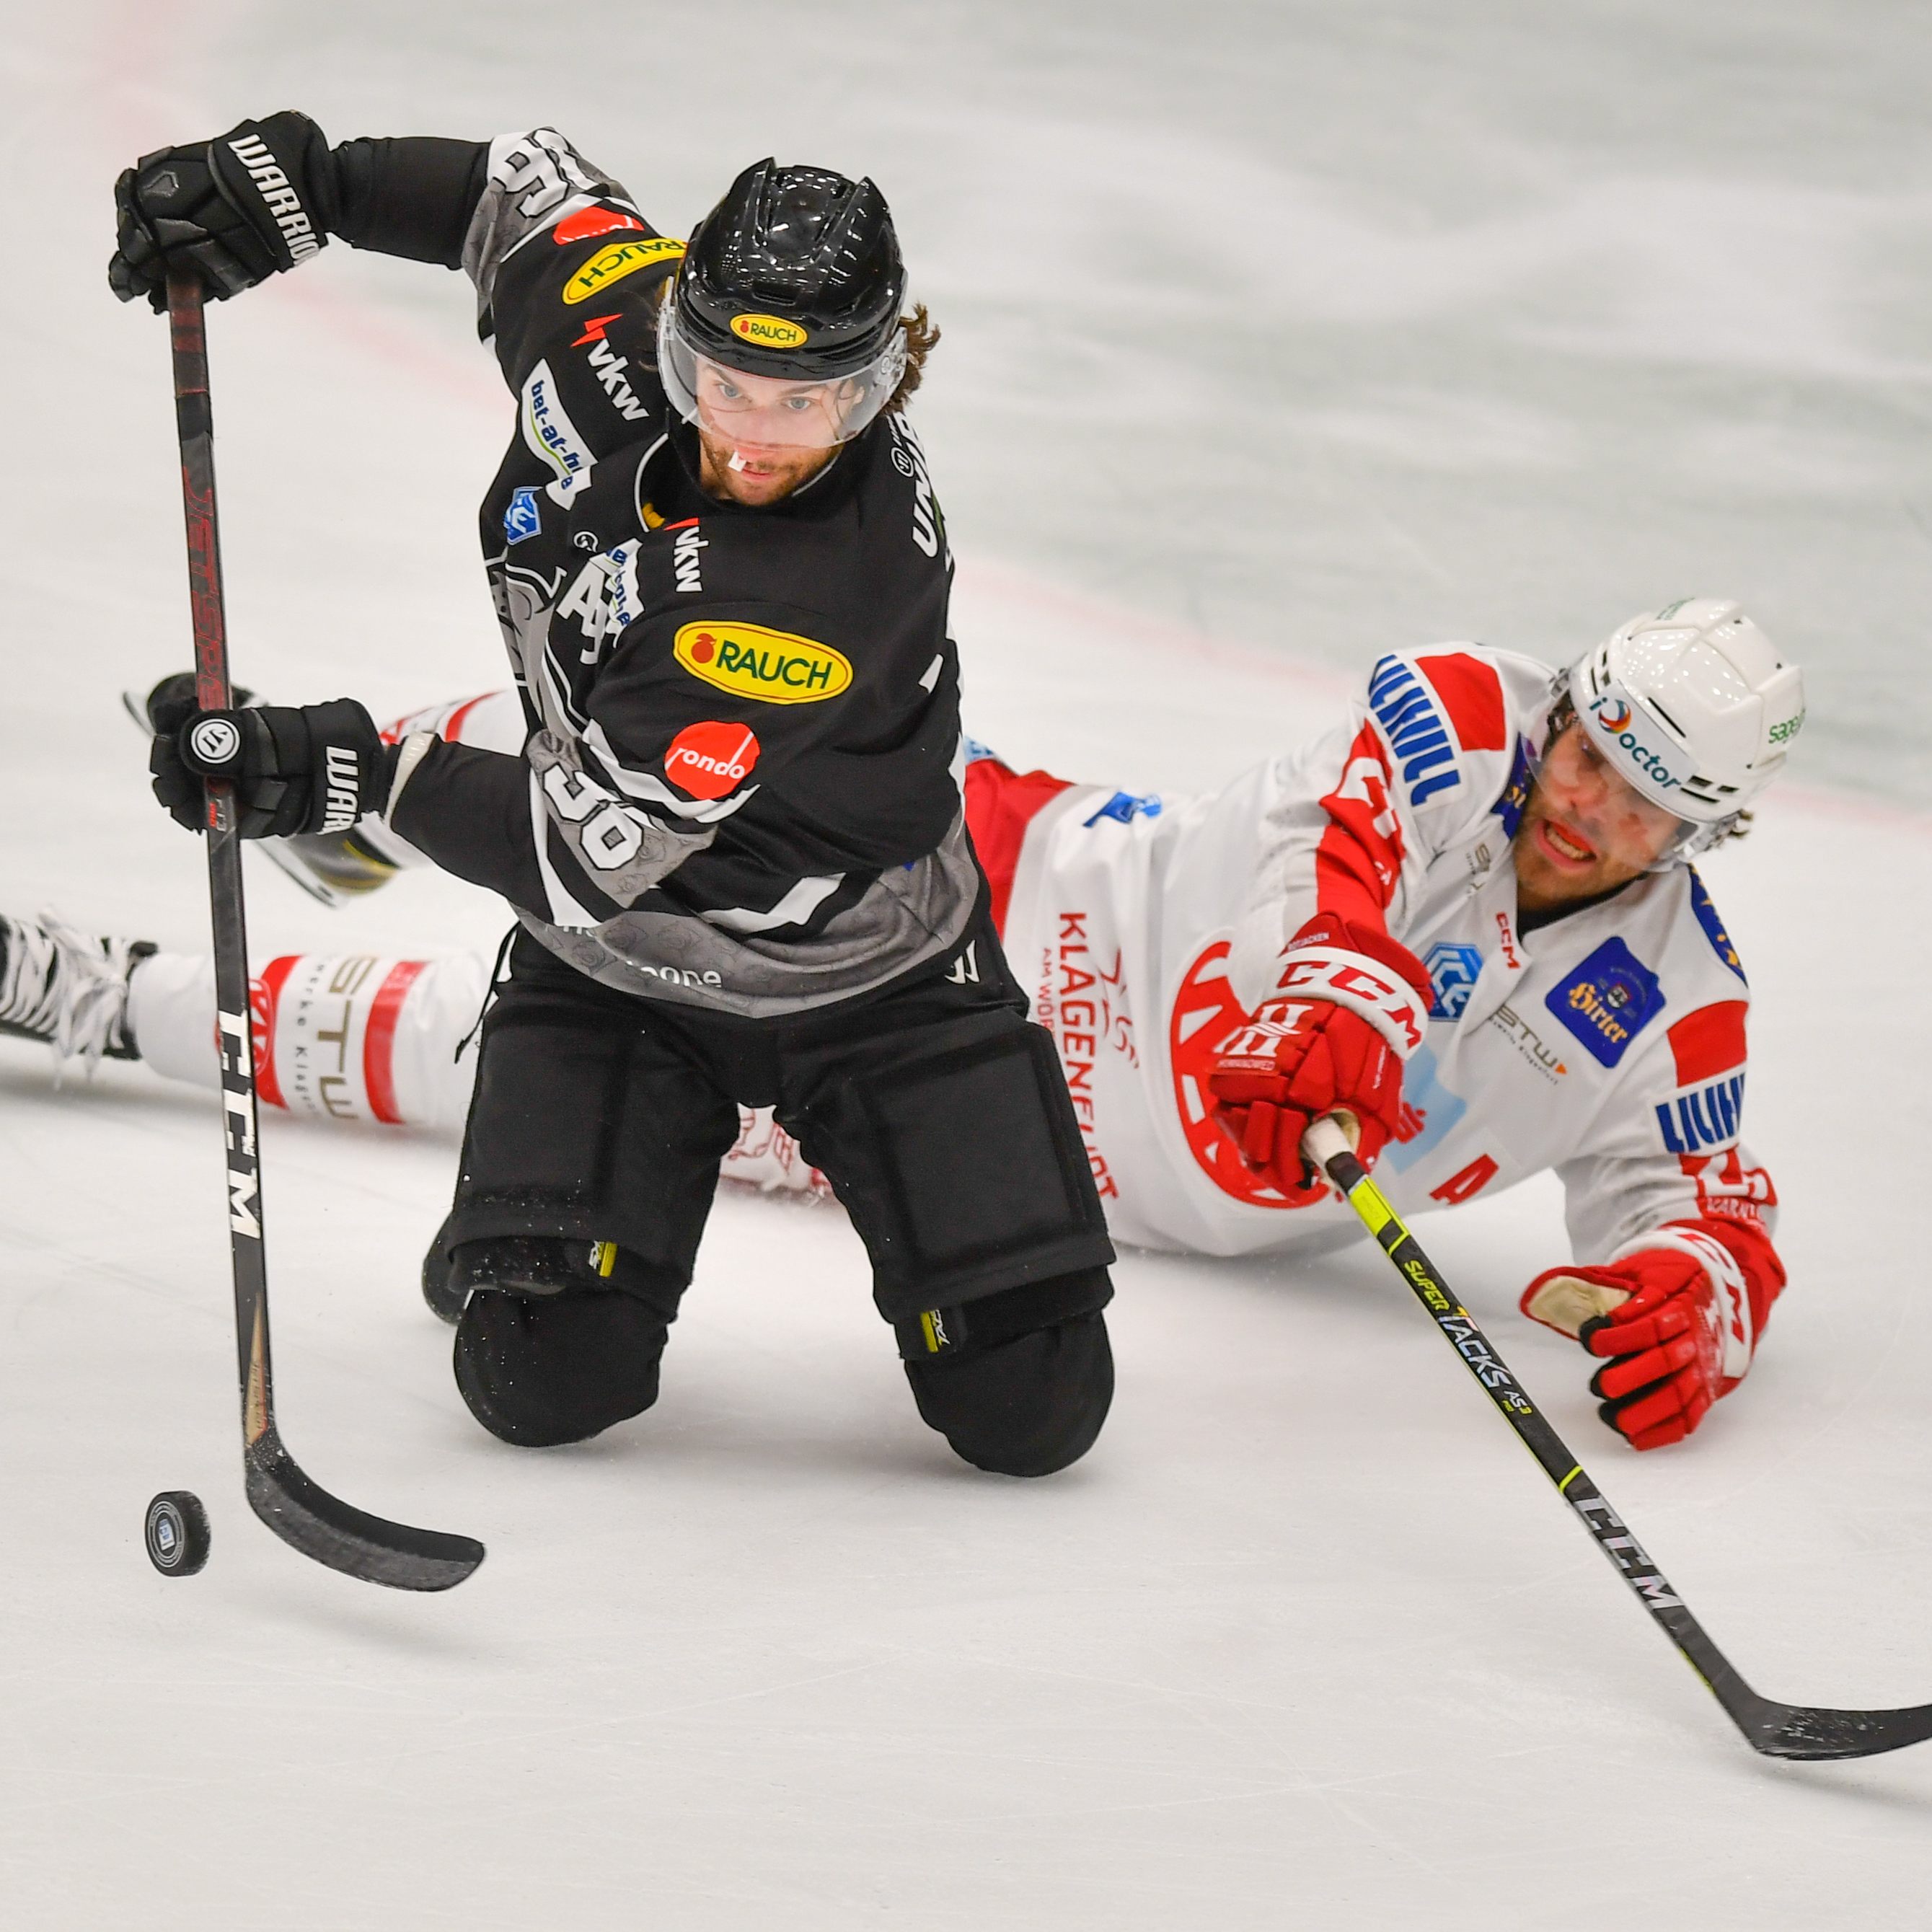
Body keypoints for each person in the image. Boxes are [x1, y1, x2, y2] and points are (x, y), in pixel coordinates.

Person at [19, 599, 1802, 1450]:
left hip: (964, 1114)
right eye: (1586, 750)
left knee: (471, 1069)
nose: (1579, 806)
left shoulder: (1674, 1004)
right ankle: (347, 766)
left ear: (1698, 838)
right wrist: (1341, 991)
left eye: (1640, 805)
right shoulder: (1460, 722)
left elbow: (1708, 1207)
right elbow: (1335, 866)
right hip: (980, 905)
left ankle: (108, 997)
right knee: (669, 788)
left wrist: (1689, 1302)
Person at [106, 118, 1117, 1474]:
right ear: (676, 323)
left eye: (806, 400)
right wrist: (298, 187)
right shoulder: (613, 323)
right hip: (621, 966)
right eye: (724, 376)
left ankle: (555, 1177)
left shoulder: (800, 607)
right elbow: (506, 190)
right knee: (538, 1382)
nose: (753, 433)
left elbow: (572, 855)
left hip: (870, 963)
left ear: (878, 390)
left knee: (1036, 1408)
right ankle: (528, 1202)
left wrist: (324, 767)